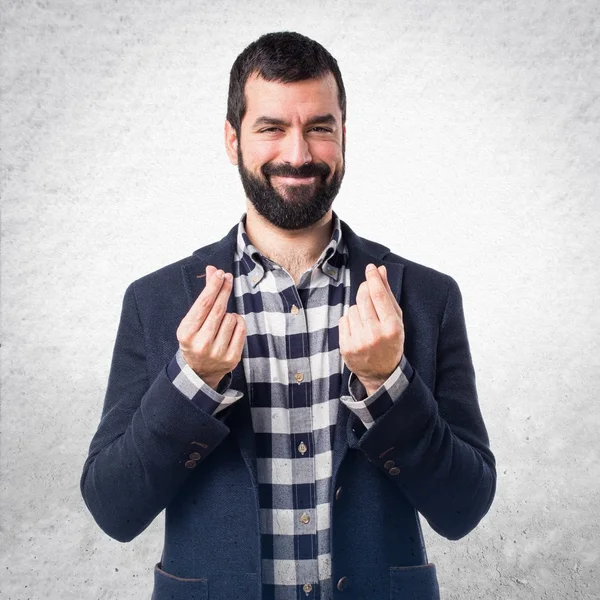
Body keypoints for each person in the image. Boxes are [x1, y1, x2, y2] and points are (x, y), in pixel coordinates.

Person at [80, 31, 496, 600]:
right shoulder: (156, 302)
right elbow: (113, 508)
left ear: (343, 136)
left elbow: (464, 508)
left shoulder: (427, 297)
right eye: (271, 127)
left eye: (319, 127)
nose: (298, 154)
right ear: (233, 140)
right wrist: (191, 384)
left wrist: (387, 384)